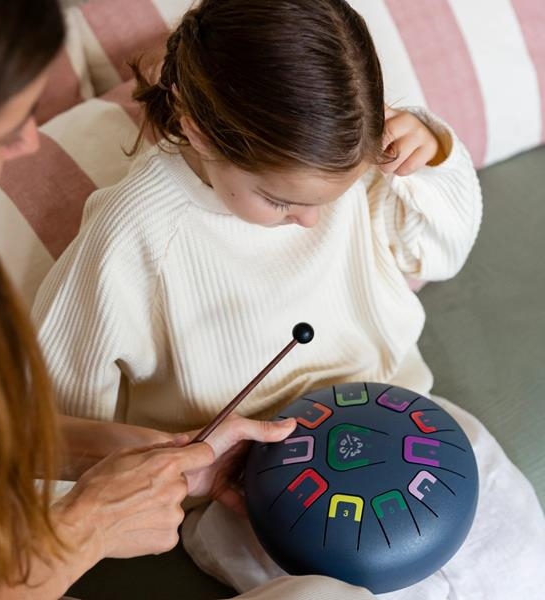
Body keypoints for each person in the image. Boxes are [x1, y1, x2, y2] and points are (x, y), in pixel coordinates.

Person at [32, 0, 545, 598]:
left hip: (400, 416)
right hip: (251, 488)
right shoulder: (134, 233)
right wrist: (144, 476)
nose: (313, 221)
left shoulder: (345, 155)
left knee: (523, 557)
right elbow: (49, 406)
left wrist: (433, 157)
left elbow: (439, 255)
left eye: (336, 193)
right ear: (198, 129)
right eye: (281, 201)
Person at [0, 1, 311, 599]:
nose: (29, 144)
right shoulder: (135, 228)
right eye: (3, 128)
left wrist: (143, 452)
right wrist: (84, 529)